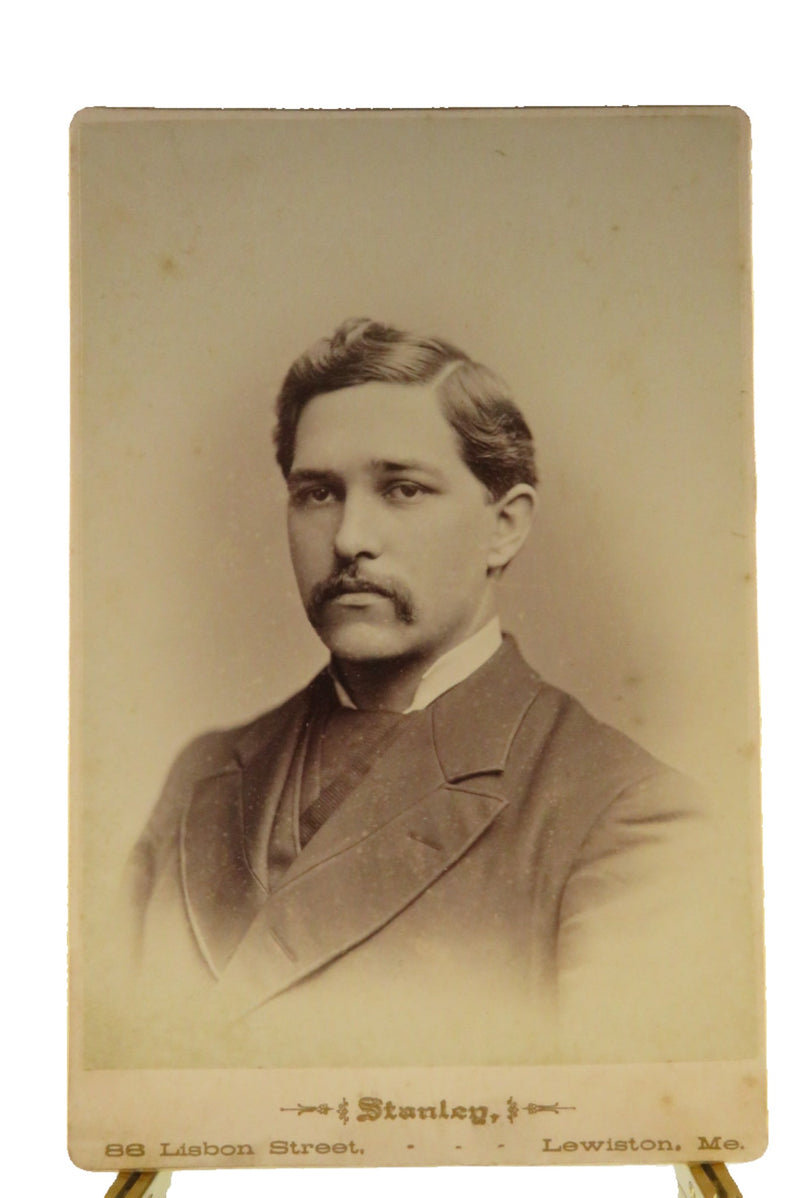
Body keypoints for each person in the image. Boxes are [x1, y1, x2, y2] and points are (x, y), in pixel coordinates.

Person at [125, 318, 713, 1066]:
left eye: (402, 489)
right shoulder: (200, 782)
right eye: (317, 493)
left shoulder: (626, 814)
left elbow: (600, 1125)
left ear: (505, 527)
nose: (348, 538)